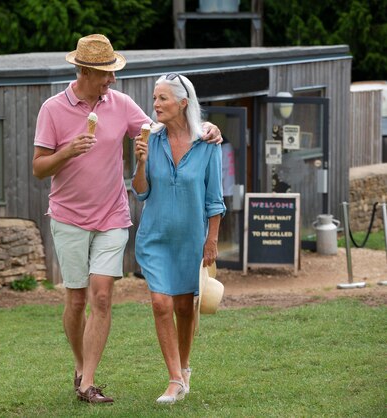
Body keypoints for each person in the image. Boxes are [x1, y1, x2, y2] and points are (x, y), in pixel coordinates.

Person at [32, 34, 221, 404]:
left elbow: (164, 127)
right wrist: (68, 151)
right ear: (86, 70)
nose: (112, 81)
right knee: (75, 300)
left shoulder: (120, 104)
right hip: (68, 217)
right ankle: (79, 364)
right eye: (106, 74)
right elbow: (39, 169)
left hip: (112, 216)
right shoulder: (52, 109)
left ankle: (87, 383)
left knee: (101, 297)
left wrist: (209, 128)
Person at [132, 73, 226, 404]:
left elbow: (215, 199)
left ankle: (185, 370)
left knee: (185, 307)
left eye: (162, 99)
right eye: (154, 98)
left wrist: (211, 240)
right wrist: (141, 163)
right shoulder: (150, 141)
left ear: (182, 103)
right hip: (155, 238)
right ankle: (173, 379)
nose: (155, 104)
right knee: (161, 303)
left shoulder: (208, 144)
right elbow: (141, 192)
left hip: (191, 240)